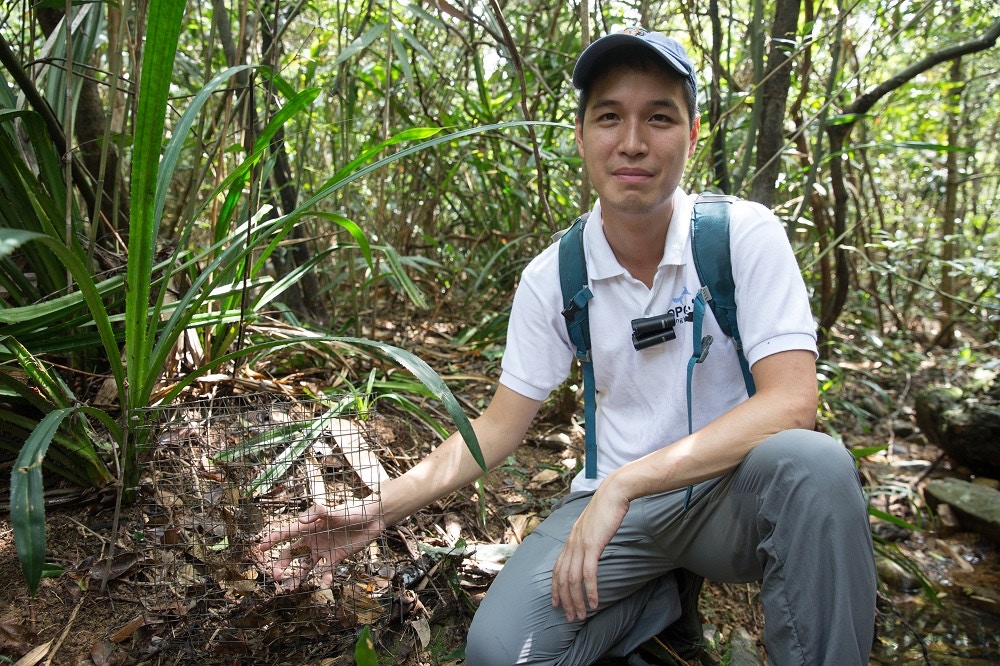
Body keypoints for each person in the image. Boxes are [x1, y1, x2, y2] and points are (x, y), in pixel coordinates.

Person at [259, 27, 877, 665]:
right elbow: (497, 428)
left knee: (817, 466)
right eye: (610, 117)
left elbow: (791, 404)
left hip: (729, 500)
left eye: (659, 118)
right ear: (581, 136)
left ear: (691, 135)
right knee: (501, 654)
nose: (632, 142)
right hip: (620, 516)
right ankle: (654, 601)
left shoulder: (741, 236)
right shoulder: (555, 275)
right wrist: (376, 509)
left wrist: (626, 485)